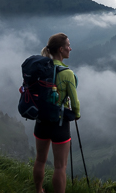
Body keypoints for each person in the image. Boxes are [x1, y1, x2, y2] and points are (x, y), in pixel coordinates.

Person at [33, 33, 80, 193]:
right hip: (59, 124)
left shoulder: (40, 69)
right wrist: (76, 114)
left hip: (40, 120)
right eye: (68, 45)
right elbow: (75, 103)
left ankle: (39, 190)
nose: (70, 48)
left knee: (40, 160)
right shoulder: (67, 74)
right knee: (60, 167)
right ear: (61, 49)